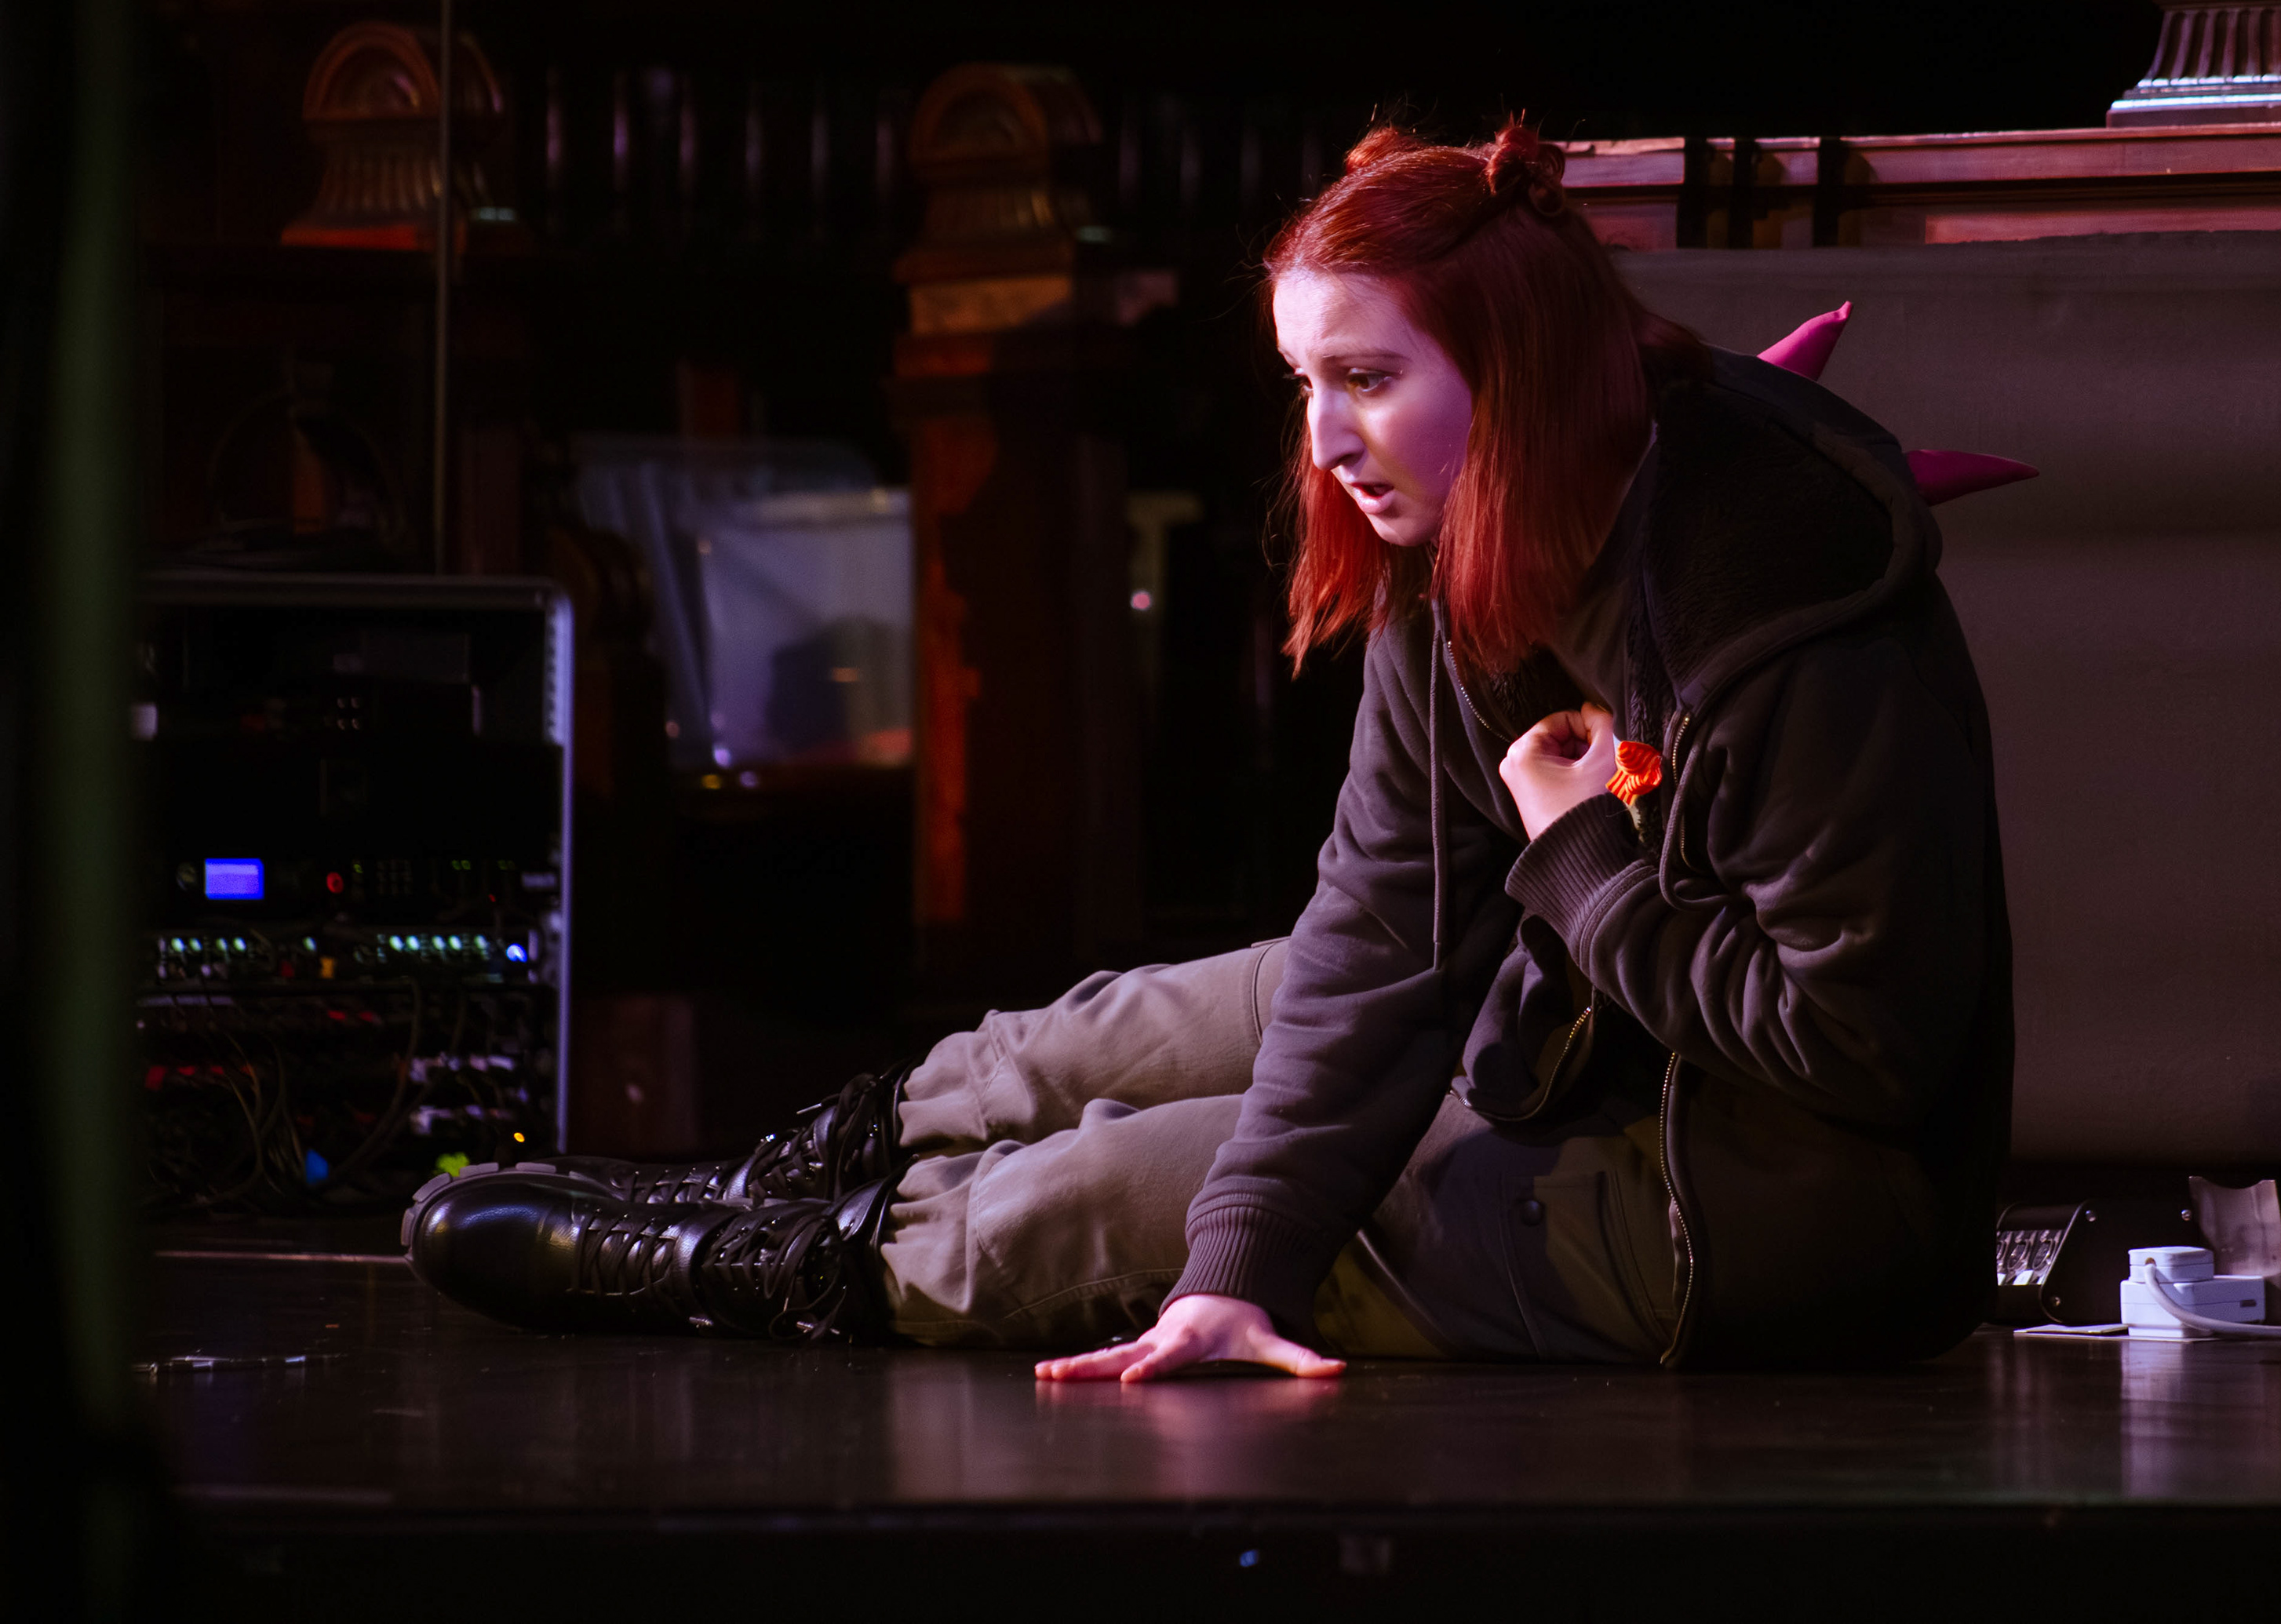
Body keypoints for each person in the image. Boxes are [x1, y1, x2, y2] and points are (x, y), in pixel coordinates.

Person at [405, 120, 2013, 1375]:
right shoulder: (1462, 538)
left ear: (1516, 377)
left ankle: (745, 1271)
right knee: (1101, 1038)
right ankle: (755, 1183)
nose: (1325, 437)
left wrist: (1585, 860)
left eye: (1368, 379)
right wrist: (1255, 1252)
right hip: (1573, 1023)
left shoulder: (1785, 622)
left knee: (1111, 1190)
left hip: (1762, 1205)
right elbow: (1377, 941)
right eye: (1308, 380)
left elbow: (1866, 1047)